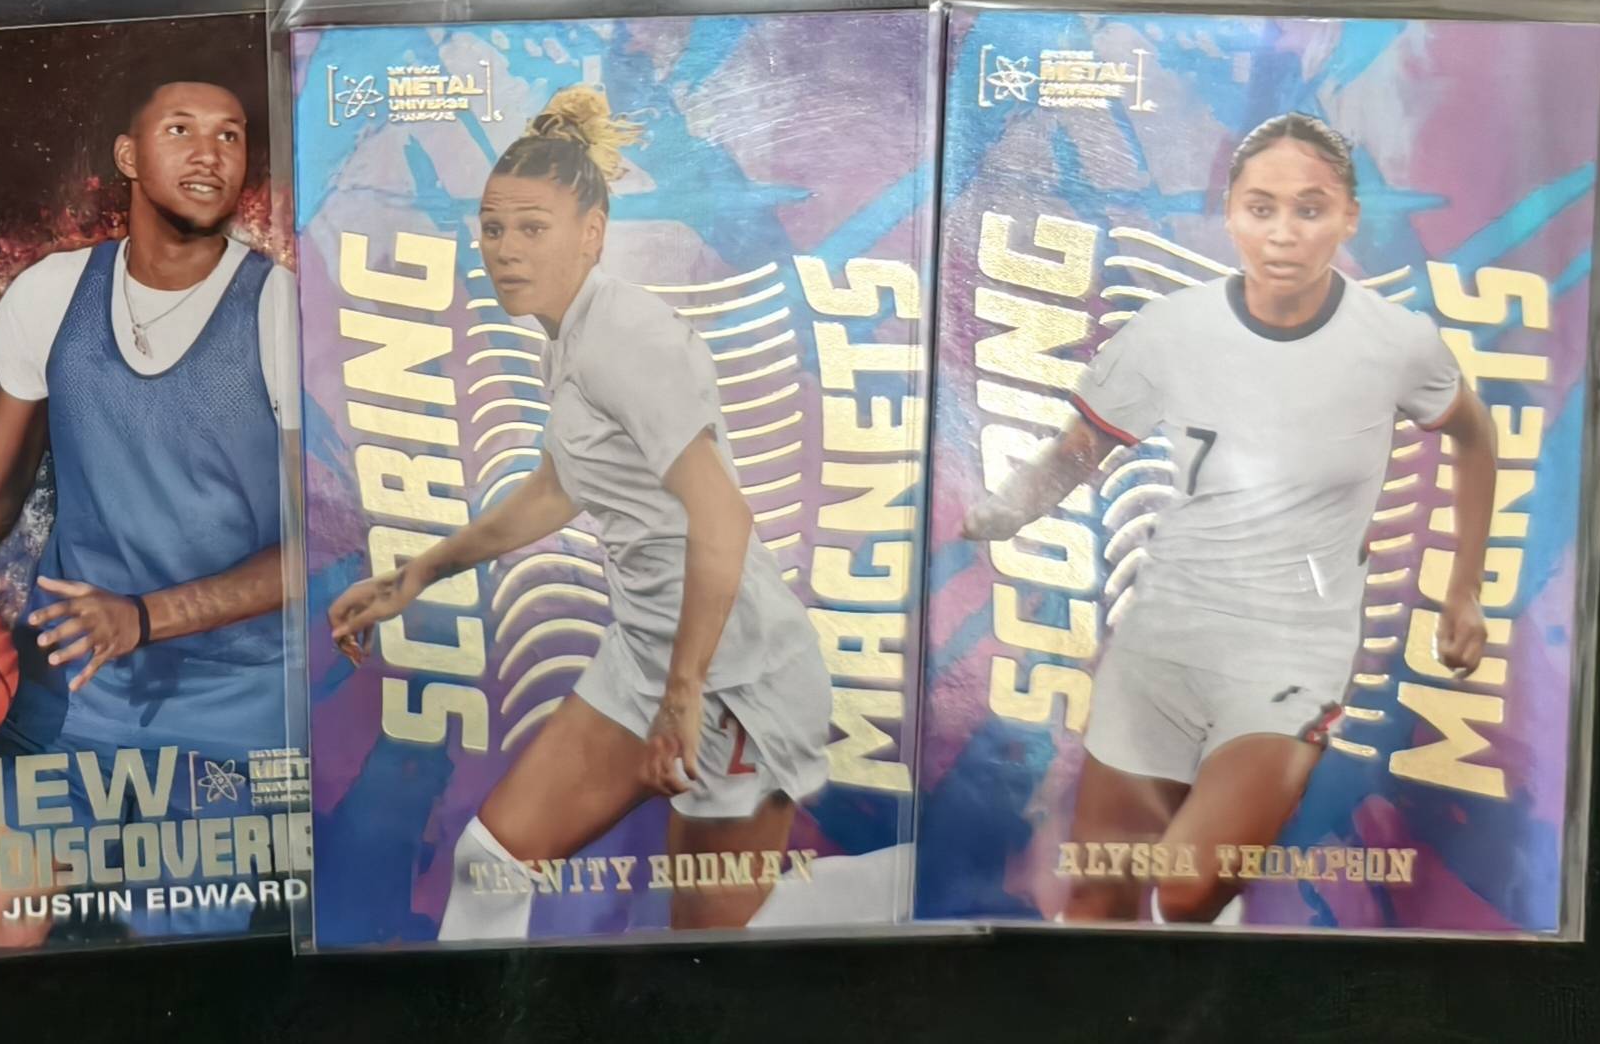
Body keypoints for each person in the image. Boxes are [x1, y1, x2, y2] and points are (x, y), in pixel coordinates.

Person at [959, 113, 1500, 924]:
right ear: (1231, 214)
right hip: (1164, 644)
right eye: (1261, 207)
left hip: (1291, 654)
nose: (1283, 232)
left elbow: (1474, 435)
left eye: (1310, 209)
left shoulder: (1395, 343)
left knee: (1185, 887)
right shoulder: (1172, 330)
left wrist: (1464, 591)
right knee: (1101, 894)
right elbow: (1077, 449)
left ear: (1349, 218)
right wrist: (1003, 508)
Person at [328, 91, 845, 934]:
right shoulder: (569, 336)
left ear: (593, 233)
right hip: (647, 655)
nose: (506, 249)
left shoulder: (626, 339)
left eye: (532, 228)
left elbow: (723, 520)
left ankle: (867, 904)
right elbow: (556, 490)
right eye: (493, 228)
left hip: (737, 679)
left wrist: (684, 692)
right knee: (491, 864)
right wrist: (417, 574)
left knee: (710, 943)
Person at [0, 79, 297, 949]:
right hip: (76, 687)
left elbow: (317, 547)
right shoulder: (53, 293)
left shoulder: (281, 313)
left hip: (232, 704)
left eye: (230, 135)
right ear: (128, 156)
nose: (209, 153)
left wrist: (143, 617)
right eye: (180, 130)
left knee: (180, 947)